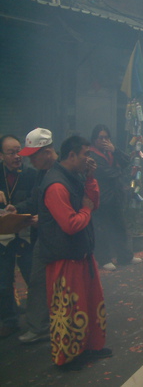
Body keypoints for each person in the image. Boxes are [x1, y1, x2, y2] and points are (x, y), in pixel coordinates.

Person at [37, 135, 112, 370]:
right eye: (85, 155)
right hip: (65, 259)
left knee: (87, 304)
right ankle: (68, 358)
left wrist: (90, 178)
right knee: (69, 310)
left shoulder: (74, 177)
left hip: (81, 254)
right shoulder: (57, 185)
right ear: (72, 155)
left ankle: (90, 348)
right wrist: (86, 211)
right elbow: (70, 223)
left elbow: (93, 202)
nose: (88, 159)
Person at [7, 128, 57, 344]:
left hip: (57, 238)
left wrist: (42, 220)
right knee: (39, 281)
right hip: (44, 235)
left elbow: (69, 210)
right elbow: (36, 201)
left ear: (46, 152)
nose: (30, 161)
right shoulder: (42, 173)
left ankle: (41, 326)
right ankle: (42, 324)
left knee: (43, 280)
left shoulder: (61, 173)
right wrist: (16, 209)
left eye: (33, 156)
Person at [89, 125, 141, 271]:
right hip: (101, 196)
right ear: (94, 139)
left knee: (120, 227)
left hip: (115, 196)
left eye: (107, 137)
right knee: (102, 229)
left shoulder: (110, 152)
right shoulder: (91, 155)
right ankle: (104, 259)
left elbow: (126, 162)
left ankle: (125, 256)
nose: (104, 140)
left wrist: (115, 150)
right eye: (101, 137)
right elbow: (105, 173)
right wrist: (121, 173)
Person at [0, 134, 36, 338]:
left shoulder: (30, 174)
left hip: (25, 233)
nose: (17, 156)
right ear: (1, 155)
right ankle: (9, 320)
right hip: (1, 236)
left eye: (18, 151)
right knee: (3, 282)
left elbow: (34, 198)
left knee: (33, 278)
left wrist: (18, 208)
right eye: (11, 152)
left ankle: (37, 320)